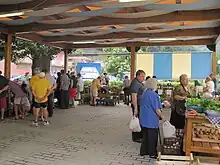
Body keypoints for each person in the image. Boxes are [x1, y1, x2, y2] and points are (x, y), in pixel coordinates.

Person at [140, 78, 165, 158]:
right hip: (151, 120)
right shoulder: (154, 95)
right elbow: (157, 109)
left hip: (143, 118)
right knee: (152, 137)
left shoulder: (144, 93)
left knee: (145, 137)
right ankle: (152, 153)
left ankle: (143, 151)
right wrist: (162, 117)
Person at [130, 70, 146, 142]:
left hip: (140, 105)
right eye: (142, 76)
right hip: (137, 105)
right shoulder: (135, 83)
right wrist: (136, 108)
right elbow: (134, 96)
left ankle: (140, 135)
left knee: (139, 120)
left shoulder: (139, 83)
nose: (143, 78)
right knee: (137, 120)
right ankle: (137, 137)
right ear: (138, 76)